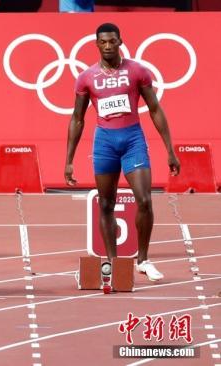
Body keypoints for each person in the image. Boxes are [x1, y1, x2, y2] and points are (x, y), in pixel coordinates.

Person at [64, 23, 180, 281]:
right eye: (103, 42)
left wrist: (170, 150)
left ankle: (143, 260)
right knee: (106, 204)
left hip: (133, 140)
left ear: (120, 42)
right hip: (104, 143)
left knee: (145, 200)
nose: (107, 46)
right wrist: (69, 160)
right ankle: (112, 264)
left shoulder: (138, 71)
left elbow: (155, 109)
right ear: (96, 44)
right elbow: (77, 118)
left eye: (112, 41)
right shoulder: (86, 77)